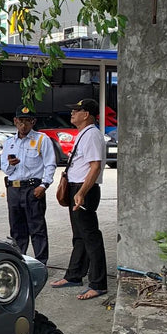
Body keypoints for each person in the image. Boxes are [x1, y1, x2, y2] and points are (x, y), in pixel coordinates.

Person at [50, 98, 108, 300]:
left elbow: (95, 166)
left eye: (77, 110)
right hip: (77, 188)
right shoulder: (84, 134)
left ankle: (98, 283)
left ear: (87, 114)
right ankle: (74, 275)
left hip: (85, 190)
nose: (72, 113)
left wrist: (82, 192)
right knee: (79, 237)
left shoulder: (92, 135)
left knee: (91, 238)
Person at [1, 105, 56, 265]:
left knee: (37, 227)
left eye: (27, 121)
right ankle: (19, 261)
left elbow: (50, 164)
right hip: (13, 188)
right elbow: (4, 168)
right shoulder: (9, 142)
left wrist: (44, 185)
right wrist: (11, 164)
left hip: (33, 188)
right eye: (20, 121)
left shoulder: (41, 139)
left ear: (33, 122)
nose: (23, 125)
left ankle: (40, 262)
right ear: (15, 121)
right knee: (17, 227)